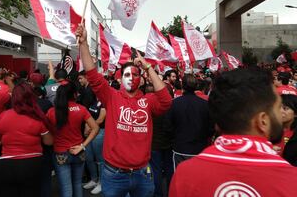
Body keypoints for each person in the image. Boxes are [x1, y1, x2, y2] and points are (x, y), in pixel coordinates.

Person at [76, 24, 172, 197]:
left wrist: (148, 67)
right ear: (120, 79)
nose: (131, 78)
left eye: (135, 74)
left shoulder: (148, 100)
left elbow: (166, 101)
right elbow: (92, 74)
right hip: (114, 175)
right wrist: (83, 44)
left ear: (141, 79)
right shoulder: (111, 97)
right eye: (127, 75)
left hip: (142, 173)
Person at [169, 68, 297, 196]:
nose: (281, 114)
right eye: (278, 108)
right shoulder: (291, 179)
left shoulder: (185, 174)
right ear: (263, 121)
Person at [0, 81, 54, 197]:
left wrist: (6, 140)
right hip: (32, 162)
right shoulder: (37, 117)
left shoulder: (2, 116)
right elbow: (49, 141)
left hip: (7, 164)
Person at [46, 80, 99, 197]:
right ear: (74, 94)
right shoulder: (81, 109)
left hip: (60, 153)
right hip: (79, 152)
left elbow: (46, 132)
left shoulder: (51, 112)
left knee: (66, 188)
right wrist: (83, 145)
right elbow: (95, 128)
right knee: (77, 184)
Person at [164, 74, 213, 171]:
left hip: (181, 147)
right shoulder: (205, 104)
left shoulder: (175, 103)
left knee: (180, 178)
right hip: (195, 148)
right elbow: (211, 127)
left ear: (183, 86)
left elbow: (167, 127)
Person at [78, 71, 106, 195]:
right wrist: (86, 126)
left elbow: (100, 119)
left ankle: (102, 182)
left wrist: (89, 127)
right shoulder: (93, 100)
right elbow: (87, 115)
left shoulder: (104, 101)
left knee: (100, 159)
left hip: (99, 133)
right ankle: (94, 179)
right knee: (89, 158)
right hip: (90, 132)